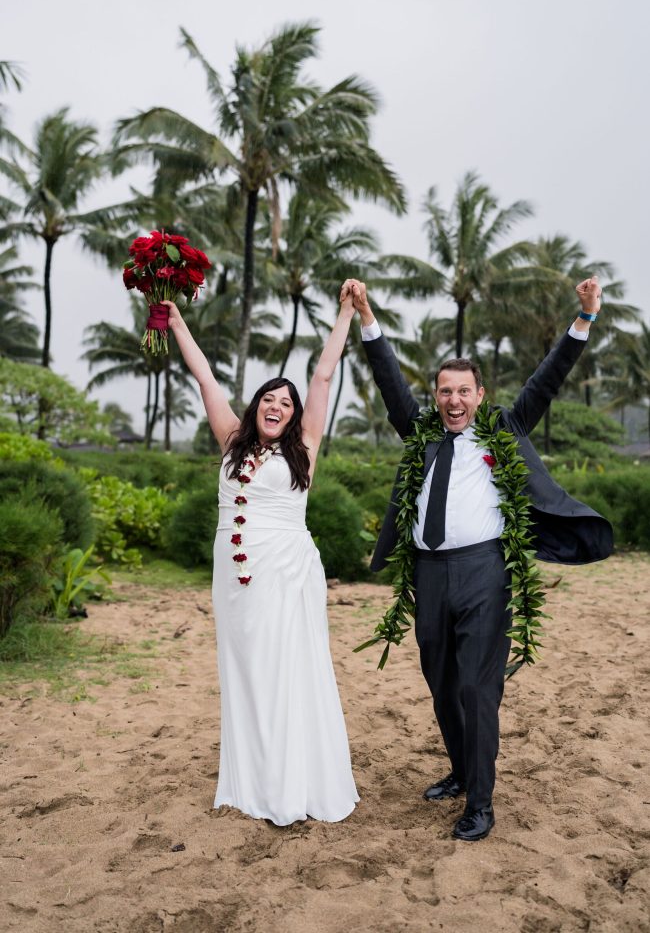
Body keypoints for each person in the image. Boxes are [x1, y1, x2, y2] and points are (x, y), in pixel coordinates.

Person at [342, 276, 613, 841]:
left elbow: (547, 380)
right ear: (436, 396)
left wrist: (583, 318)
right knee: (441, 682)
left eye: (464, 391)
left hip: (486, 572)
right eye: (445, 391)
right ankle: (462, 772)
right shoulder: (420, 434)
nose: (455, 401)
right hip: (429, 574)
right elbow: (390, 380)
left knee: (477, 688)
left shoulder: (505, 431)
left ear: (480, 396)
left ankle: (481, 804)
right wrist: (366, 315)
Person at [163, 291, 359, 826]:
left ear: (295, 417)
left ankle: (293, 782)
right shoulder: (231, 441)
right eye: (269, 399)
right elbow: (204, 377)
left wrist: (344, 314)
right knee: (244, 670)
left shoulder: (306, 449)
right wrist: (176, 319)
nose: (277, 407)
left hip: (285, 571)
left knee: (286, 670)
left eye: (286, 403)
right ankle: (251, 777)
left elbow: (322, 377)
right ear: (256, 407)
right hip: (232, 577)